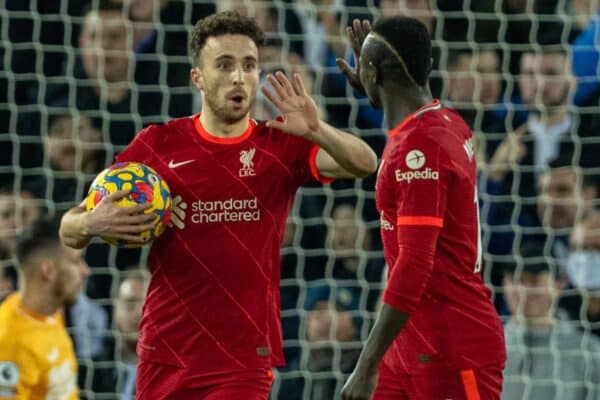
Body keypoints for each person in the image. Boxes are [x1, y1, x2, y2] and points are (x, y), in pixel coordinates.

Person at [59, 10, 377, 399]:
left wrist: (318, 130)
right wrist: (93, 221)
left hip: (242, 360)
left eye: (248, 65)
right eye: (224, 65)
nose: (238, 77)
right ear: (198, 77)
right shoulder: (158, 144)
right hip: (166, 352)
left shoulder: (279, 146)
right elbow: (68, 229)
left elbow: (365, 163)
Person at [337, 16, 506, 399]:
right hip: (410, 343)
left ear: (373, 72)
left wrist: (365, 365)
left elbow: (415, 264)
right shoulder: (444, 121)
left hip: (451, 349)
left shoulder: (422, 149)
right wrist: (373, 81)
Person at [0, 216, 90, 399]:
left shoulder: (47, 313)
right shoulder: (10, 340)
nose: (86, 271)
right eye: (76, 261)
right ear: (48, 270)